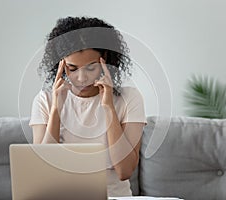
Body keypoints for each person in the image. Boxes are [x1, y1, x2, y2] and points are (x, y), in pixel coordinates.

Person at [29, 16, 147, 197]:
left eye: (91, 68)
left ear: (104, 60)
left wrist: (108, 107)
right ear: (61, 64)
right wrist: (56, 110)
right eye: (72, 68)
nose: (82, 78)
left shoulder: (129, 98)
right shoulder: (45, 100)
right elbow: (42, 172)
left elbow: (125, 171)